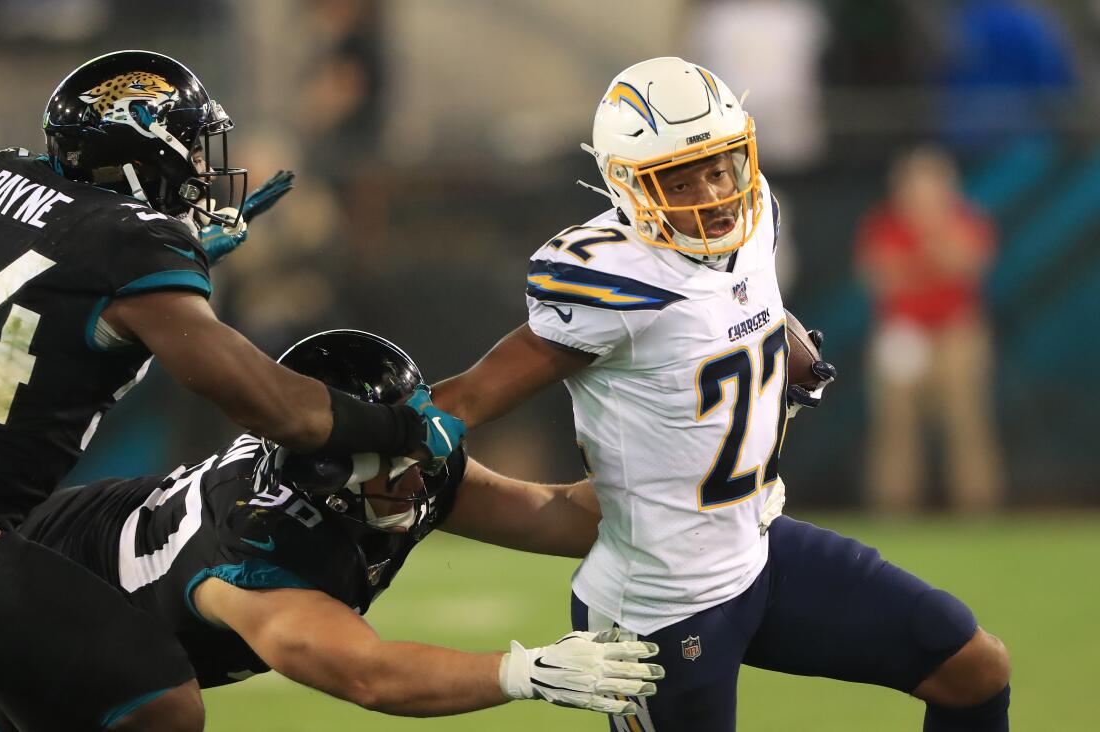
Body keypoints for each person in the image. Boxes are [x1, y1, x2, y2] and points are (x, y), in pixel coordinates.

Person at [432, 57, 1011, 731]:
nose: (709, 193)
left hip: (760, 546)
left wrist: (774, 343)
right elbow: (472, 394)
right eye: (677, 181)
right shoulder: (614, 279)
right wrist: (384, 434)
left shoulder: (756, 209)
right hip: (661, 603)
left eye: (716, 168)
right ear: (626, 185)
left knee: (972, 668)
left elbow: (729, 308)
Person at [0, 50, 463, 731]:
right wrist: (401, 428)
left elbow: (59, 265)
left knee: (47, 696)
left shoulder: (4, 179)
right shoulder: (130, 247)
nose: (201, 167)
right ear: (144, 147)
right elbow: (268, 402)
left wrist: (172, 259)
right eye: (192, 146)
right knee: (156, 699)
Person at [0, 329, 662, 730]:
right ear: (323, 475)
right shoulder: (258, 555)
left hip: (63, 545)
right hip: (6, 602)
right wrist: (523, 673)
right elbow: (368, 675)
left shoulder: (402, 467)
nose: (414, 475)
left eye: (413, 445)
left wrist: (701, 492)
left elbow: (560, 516)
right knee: (162, 712)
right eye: (386, 458)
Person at [857, 146, 1003, 515]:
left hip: (956, 332)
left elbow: (965, 264)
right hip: (901, 335)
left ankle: (979, 509)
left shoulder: (966, 220)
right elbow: (884, 278)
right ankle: (894, 509)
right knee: (895, 426)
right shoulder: (883, 225)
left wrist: (927, 249)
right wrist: (931, 261)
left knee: (965, 421)